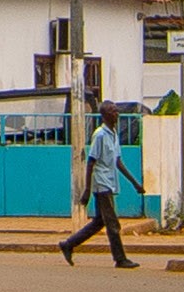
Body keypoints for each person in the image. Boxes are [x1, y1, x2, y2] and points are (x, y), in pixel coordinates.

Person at [56, 63, 135, 268]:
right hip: (101, 184)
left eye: (117, 110)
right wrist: (87, 191)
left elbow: (118, 161)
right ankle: (120, 258)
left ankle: (68, 244)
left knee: (100, 221)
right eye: (113, 111)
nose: (117, 113)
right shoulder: (100, 135)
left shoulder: (114, 134)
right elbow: (90, 162)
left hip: (110, 182)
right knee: (112, 223)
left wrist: (135, 183)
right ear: (105, 114)